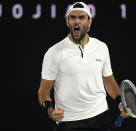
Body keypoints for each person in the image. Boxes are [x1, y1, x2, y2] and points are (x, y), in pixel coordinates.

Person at [38, 2, 129, 131]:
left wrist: (121, 101)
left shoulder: (101, 47)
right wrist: (51, 111)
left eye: (81, 17)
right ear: (67, 21)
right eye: (73, 17)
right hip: (69, 122)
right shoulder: (53, 52)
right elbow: (43, 92)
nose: (77, 21)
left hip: (101, 118)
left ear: (89, 22)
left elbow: (109, 81)